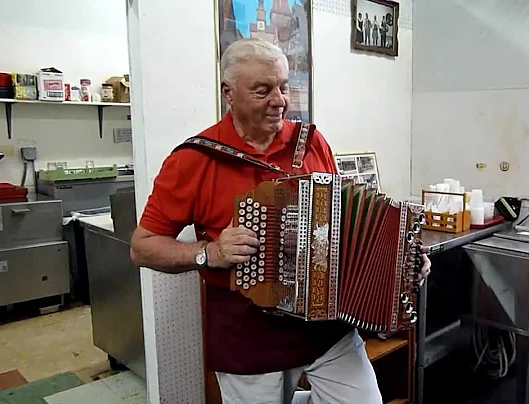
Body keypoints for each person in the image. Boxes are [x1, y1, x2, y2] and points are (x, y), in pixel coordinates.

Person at [130, 37, 431, 404]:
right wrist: (209, 252)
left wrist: (403, 262)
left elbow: (347, 231)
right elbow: (142, 248)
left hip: (327, 327)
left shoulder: (312, 142)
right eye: (262, 90)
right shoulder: (193, 159)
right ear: (228, 92)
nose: (280, 101)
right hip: (248, 336)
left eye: (284, 87)